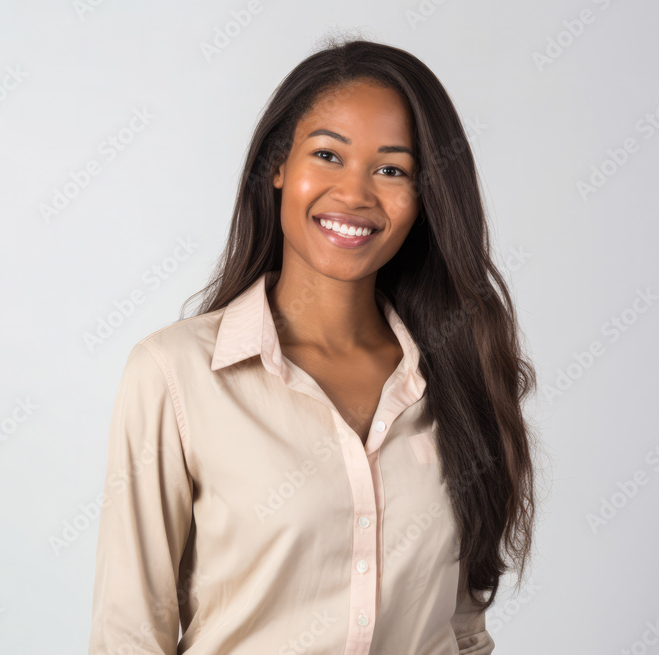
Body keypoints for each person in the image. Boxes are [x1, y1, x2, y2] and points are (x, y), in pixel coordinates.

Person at [87, 34, 538, 655]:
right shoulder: (175, 374)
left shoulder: (458, 374)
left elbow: (461, 633)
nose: (355, 194)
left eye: (392, 169)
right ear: (279, 165)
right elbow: (129, 636)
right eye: (328, 155)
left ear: (424, 196)